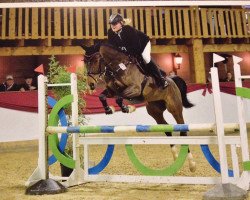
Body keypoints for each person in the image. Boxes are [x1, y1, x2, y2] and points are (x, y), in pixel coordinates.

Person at [107, 13, 169, 89]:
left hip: (143, 44)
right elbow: (113, 47)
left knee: (145, 58)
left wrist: (129, 53)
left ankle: (161, 79)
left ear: (121, 23)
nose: (113, 26)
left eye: (115, 23)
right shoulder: (110, 33)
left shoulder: (128, 30)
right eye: (111, 24)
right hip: (129, 49)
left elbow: (137, 47)